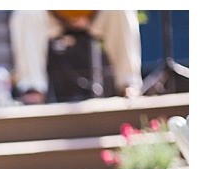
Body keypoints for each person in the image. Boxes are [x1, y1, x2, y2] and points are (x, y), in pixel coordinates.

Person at [9, 10, 143, 104]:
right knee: (26, 13)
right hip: (54, 16)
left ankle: (128, 83)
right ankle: (33, 87)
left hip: (94, 14)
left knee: (121, 9)